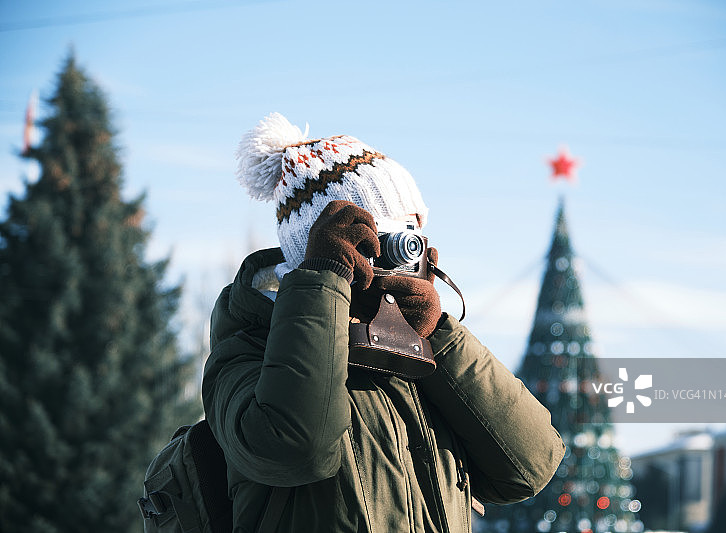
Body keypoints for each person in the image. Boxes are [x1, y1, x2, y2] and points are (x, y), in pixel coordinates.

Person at [202, 113, 565, 533]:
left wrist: (437, 334)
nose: (404, 253)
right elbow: (294, 449)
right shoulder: (248, 349)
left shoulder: (418, 359)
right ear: (327, 246)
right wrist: (324, 283)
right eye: (385, 236)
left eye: (412, 235)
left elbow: (529, 467)